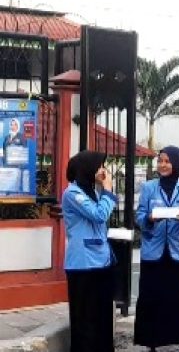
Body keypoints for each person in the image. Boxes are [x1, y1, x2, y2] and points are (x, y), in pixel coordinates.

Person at [134, 146, 179, 351]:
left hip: (177, 251)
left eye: (167, 161)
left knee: (178, 299)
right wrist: (149, 218)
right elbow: (139, 217)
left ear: (176, 163)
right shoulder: (148, 187)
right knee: (151, 298)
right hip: (153, 251)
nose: (162, 165)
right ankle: (151, 342)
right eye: (160, 161)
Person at [62, 150, 116, 352]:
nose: (103, 170)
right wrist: (108, 189)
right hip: (83, 263)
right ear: (87, 169)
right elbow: (99, 215)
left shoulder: (93, 191)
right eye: (99, 166)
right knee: (85, 319)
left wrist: (104, 191)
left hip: (101, 261)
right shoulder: (72, 194)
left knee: (102, 316)